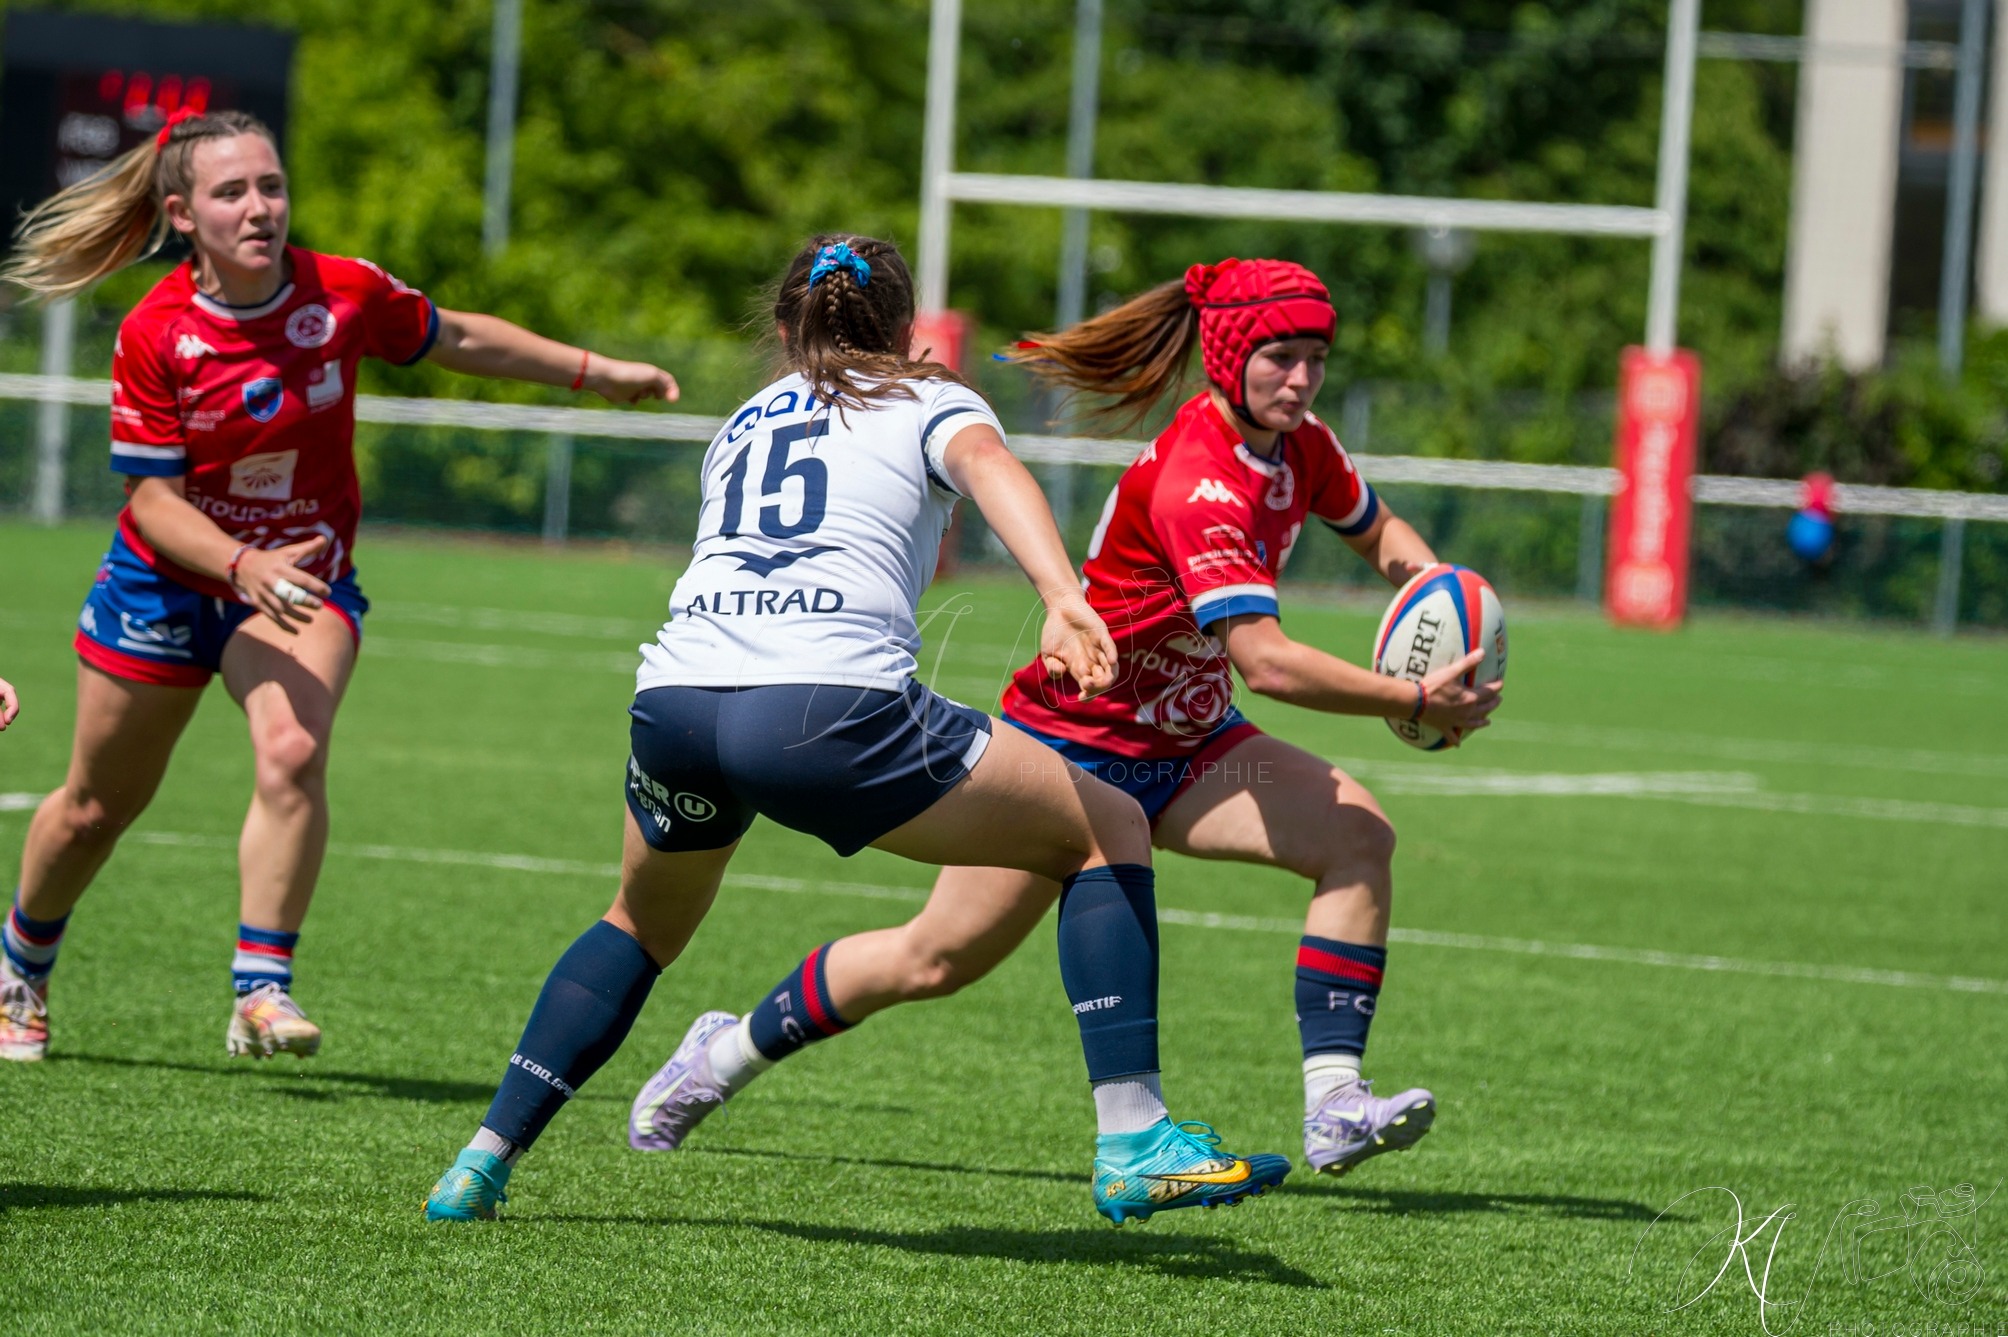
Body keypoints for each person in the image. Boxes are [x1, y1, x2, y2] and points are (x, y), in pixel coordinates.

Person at [425, 235, 1291, 1226]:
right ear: (906, 330)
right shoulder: (929, 395)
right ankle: (1136, 1138)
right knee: (1108, 827)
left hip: (675, 700)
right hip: (824, 708)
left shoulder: (745, 419)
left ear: (789, 327)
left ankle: (480, 1161)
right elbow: (989, 467)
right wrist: (1060, 593)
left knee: (638, 922)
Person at [630, 257, 1501, 1181]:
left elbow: (1378, 531)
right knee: (932, 959)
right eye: (1282, 357)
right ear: (1231, 357)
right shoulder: (1200, 480)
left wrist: (1439, 593)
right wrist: (1413, 696)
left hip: (1193, 745)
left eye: (1316, 359)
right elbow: (1268, 661)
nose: (1302, 379)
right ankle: (719, 1056)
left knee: (1358, 832)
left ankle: (1336, 1105)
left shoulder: (1301, 444)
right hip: (1075, 744)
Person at [0, 109, 677, 1065]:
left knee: (290, 748)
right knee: (95, 808)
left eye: (270, 186)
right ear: (183, 214)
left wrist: (591, 370)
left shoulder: (341, 292)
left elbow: (458, 337)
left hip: (303, 581)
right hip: (165, 586)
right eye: (231, 192)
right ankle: (20, 965)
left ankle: (261, 990)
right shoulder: (159, 330)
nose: (259, 207)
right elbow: (151, 503)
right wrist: (240, 564)